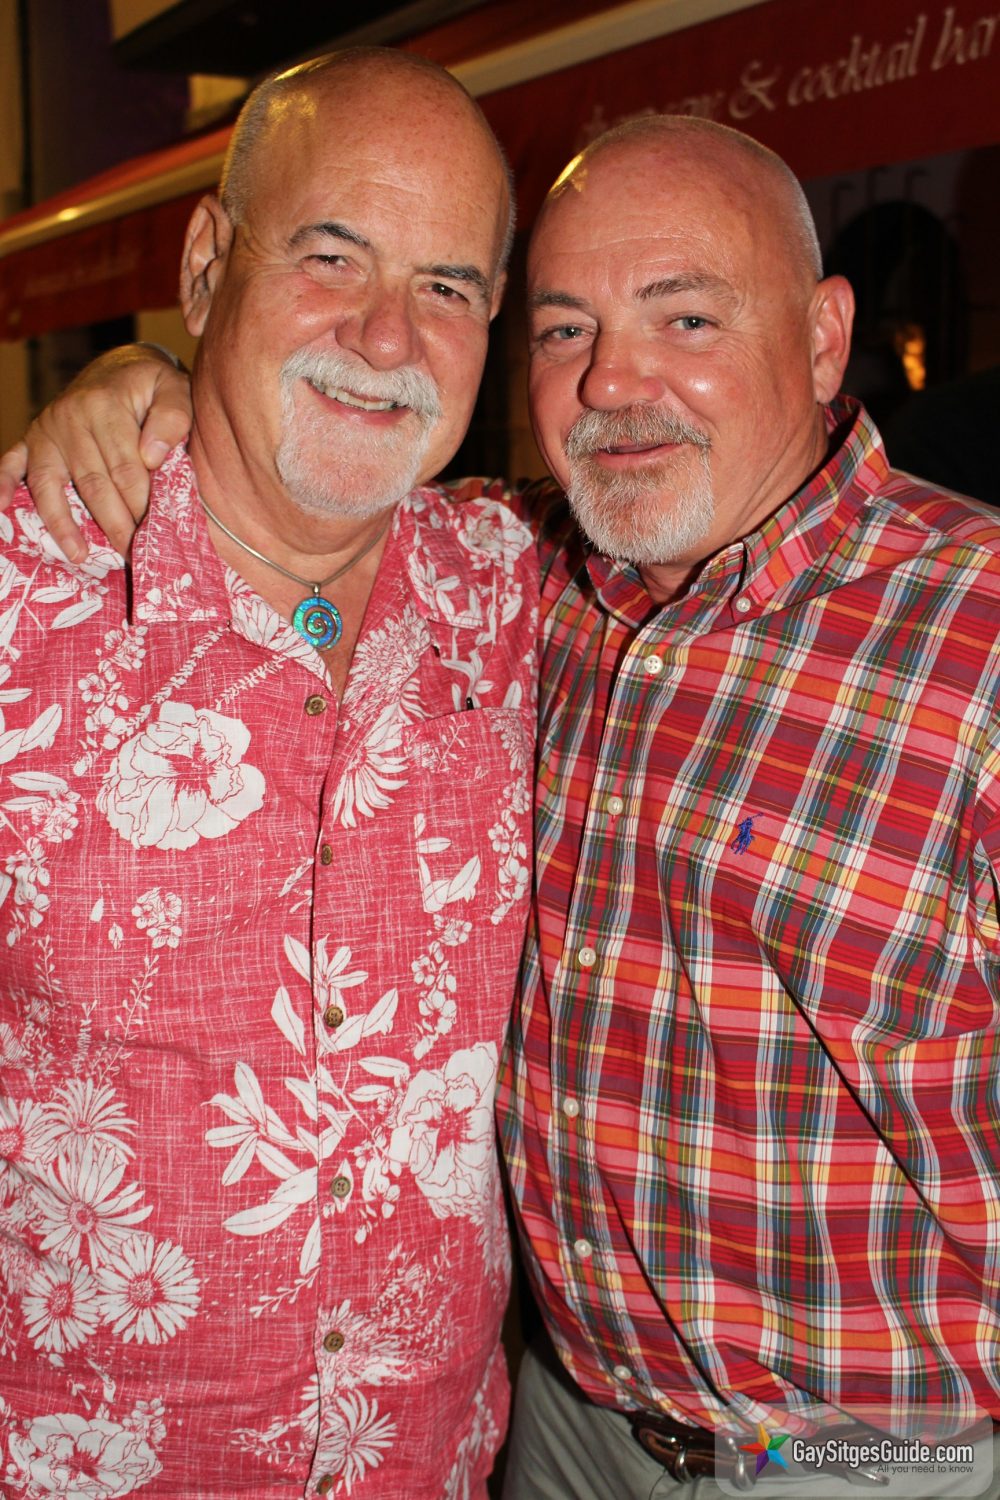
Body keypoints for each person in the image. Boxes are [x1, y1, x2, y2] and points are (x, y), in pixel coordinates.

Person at [7, 113, 1000, 1500]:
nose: (614, 381)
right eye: (563, 326)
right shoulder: (531, 578)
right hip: (528, 1429)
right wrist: (141, 385)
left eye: (686, 317)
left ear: (827, 338)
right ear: (209, 266)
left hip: (857, 1453)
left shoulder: (953, 629)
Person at [0, 48, 538, 1500]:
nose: (386, 335)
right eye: (331, 255)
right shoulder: (18, 604)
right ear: (205, 268)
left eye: (447, 287)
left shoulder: (522, 592)